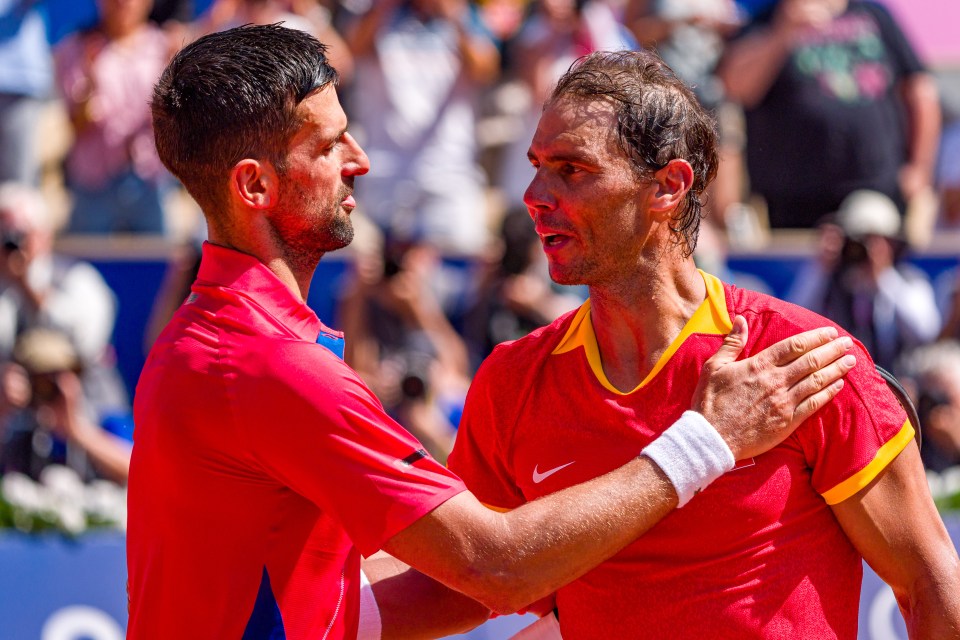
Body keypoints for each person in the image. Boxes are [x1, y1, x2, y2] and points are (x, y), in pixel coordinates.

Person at [127, 25, 855, 639]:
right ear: (254, 186)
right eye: (329, 144)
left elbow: (374, 585)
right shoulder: (271, 366)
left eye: (571, 169)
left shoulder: (210, 341)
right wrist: (710, 439)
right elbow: (495, 565)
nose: (361, 161)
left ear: (669, 187)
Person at [446, 50, 960, 638]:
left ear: (668, 186)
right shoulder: (513, 380)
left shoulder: (802, 359)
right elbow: (466, 575)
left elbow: (931, 586)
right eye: (537, 165)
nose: (534, 194)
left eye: (572, 169)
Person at [717, 0, 941, 229]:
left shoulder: (873, 14)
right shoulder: (765, 21)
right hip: (794, 199)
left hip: (876, 187)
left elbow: (920, 91)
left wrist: (920, 168)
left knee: (867, 235)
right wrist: (782, 34)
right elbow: (735, 88)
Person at [0, 183, 131, 483]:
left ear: (43, 235)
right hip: (21, 446)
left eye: (20, 234)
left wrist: (25, 285)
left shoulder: (78, 280)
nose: (10, 244)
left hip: (91, 422)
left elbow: (79, 340)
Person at [54, 0, 173, 234]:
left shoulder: (166, 47)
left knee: (154, 265)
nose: (122, 3)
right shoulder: (76, 47)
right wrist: (89, 84)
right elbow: (75, 125)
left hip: (149, 179)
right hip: (94, 182)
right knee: (87, 265)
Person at [787, 189, 941, 371]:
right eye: (859, 240)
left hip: (897, 384)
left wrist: (884, 278)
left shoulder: (908, 280)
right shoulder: (829, 282)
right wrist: (821, 267)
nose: (865, 249)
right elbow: (791, 320)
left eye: (876, 240)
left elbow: (926, 331)